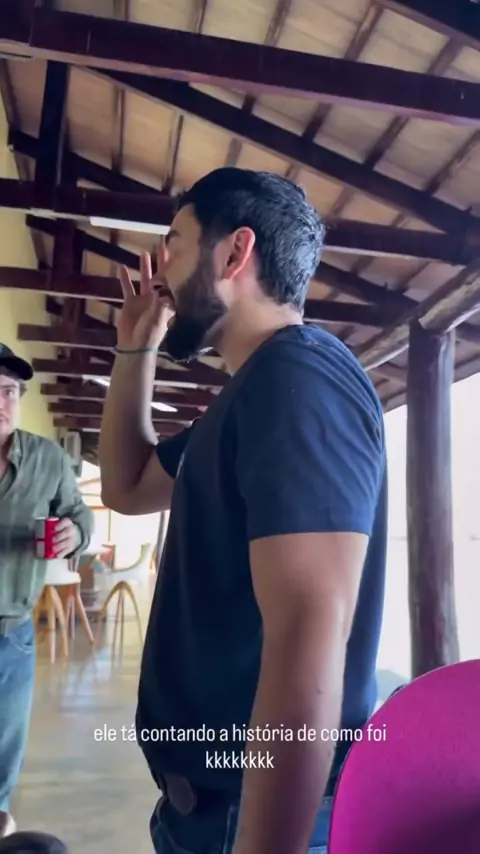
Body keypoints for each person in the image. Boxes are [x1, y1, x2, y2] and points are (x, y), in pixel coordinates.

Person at [99, 168, 387, 854]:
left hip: (248, 818)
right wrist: (136, 344)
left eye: (174, 243)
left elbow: (310, 626)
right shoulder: (246, 398)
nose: (161, 268)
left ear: (234, 253)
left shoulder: (299, 377)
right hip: (206, 812)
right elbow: (127, 486)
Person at [0, 346, 93, 838]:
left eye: (8, 392)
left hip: (12, 631)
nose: (1, 403)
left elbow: (78, 514)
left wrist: (75, 534)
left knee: (4, 745)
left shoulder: (48, 459)